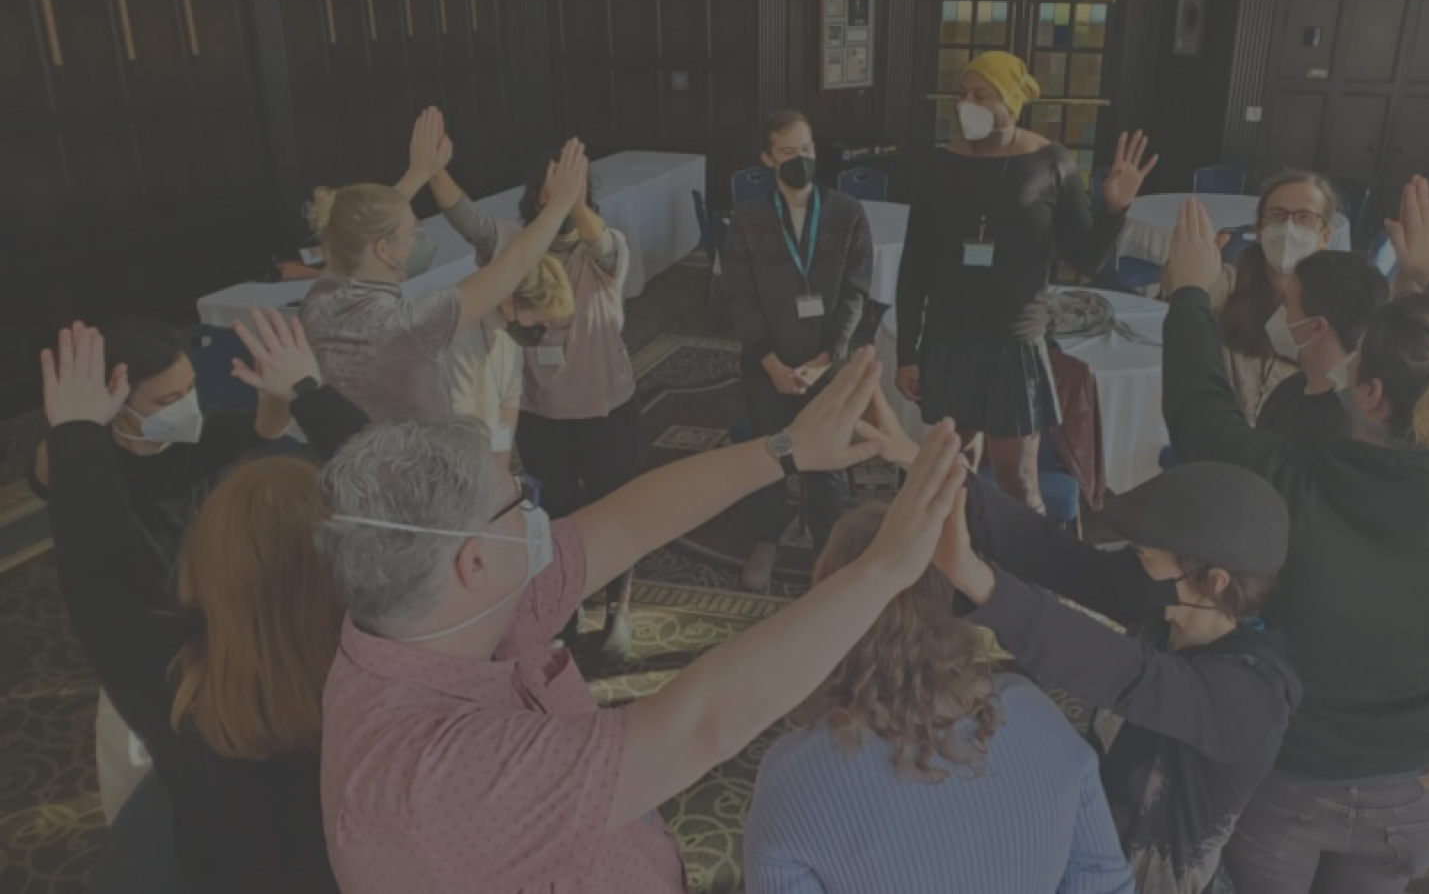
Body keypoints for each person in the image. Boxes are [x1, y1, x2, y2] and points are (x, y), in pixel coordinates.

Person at [313, 351, 969, 894]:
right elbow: (701, 724)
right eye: (519, 498)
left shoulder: (445, 613)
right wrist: (883, 571)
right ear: (474, 561)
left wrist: (786, 450)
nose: (536, 514)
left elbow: (624, 524)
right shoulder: (431, 783)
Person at [1160, 179, 1429, 894]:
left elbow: (1198, 411)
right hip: (1413, 792)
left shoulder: (1299, 492)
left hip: (1288, 779)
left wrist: (1189, 294)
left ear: (1367, 394)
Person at [866, 393, 1300, 894]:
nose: (1132, 562)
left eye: (1145, 554)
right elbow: (1055, 556)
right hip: (1087, 849)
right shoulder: (1166, 606)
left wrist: (979, 581)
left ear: (1215, 580)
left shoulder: (1251, 695)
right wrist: (922, 464)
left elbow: (1127, 675)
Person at [42, 315, 368, 894]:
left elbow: (101, 571)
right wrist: (310, 393)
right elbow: (411, 504)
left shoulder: (178, 696)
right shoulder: (387, 667)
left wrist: (74, 433)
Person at [743, 502, 1136, 894]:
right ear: (953, 599)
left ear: (827, 609)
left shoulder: (793, 776)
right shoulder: (1043, 720)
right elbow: (1104, 881)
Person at [28, 314, 297, 823]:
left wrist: (282, 392)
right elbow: (49, 468)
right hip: (141, 620)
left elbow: (268, 424)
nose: (186, 408)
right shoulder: (90, 460)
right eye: (166, 401)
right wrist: (76, 424)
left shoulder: (199, 434)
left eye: (191, 389)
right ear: (117, 400)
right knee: (142, 746)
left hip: (211, 611)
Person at [895, 50, 1156, 512]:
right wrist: (906, 353)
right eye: (963, 93)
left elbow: (1086, 258)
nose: (966, 103)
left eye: (981, 94)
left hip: (1013, 342)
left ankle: (1026, 570)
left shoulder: (1052, 162)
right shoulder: (939, 165)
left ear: (1011, 103)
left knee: (1016, 478)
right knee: (953, 465)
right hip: (948, 336)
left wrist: (1115, 209)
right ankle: (962, 552)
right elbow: (914, 263)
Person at [429, 145, 640, 657]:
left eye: (574, 186)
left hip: (606, 407)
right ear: (534, 195)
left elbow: (602, 243)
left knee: (617, 511)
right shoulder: (513, 243)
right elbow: (466, 219)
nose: (564, 193)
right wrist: (432, 170)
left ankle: (620, 607)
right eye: (553, 186)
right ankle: (565, 604)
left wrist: (571, 201)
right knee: (557, 515)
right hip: (544, 414)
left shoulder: (602, 248)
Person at [298, 107, 588, 422]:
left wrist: (420, 172)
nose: (419, 239)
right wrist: (561, 202)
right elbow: (514, 264)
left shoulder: (320, 297)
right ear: (385, 249)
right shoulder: (404, 324)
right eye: (413, 232)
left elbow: (358, 233)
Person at [723, 109, 872, 590]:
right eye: (788, 152)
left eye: (807, 149)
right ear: (768, 159)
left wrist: (827, 357)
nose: (801, 159)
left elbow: (855, 293)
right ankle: (768, 537)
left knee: (827, 459)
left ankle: (832, 543)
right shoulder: (746, 221)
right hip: (768, 365)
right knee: (773, 450)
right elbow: (740, 298)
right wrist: (771, 362)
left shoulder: (849, 214)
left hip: (826, 365)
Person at [1197, 170, 1341, 422]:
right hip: (1222, 439)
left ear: (1325, 235)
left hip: (1292, 449)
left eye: (1304, 218)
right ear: (1260, 228)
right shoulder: (1228, 286)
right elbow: (1177, 303)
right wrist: (1189, 275)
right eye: (1277, 216)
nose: (1288, 228)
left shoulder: (1338, 310)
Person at [1255, 250, 1390, 445]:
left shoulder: (1339, 428)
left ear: (1316, 327)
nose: (1279, 314)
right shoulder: (1292, 386)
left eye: (1287, 305)